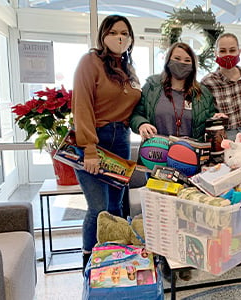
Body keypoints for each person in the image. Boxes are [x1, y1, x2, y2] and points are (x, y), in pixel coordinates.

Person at [130, 42, 224, 281]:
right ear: (168, 60)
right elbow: (136, 113)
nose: (181, 63)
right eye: (177, 58)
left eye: (186, 60)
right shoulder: (152, 86)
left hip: (189, 162)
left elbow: (206, 124)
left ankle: (183, 257)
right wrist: (141, 123)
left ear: (193, 64)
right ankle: (162, 260)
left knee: (184, 212)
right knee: (161, 212)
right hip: (158, 161)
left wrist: (215, 120)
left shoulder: (202, 93)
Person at [71, 15, 141, 273]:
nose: (119, 37)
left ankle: (114, 259)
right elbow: (82, 105)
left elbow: (133, 107)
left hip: (121, 140)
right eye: (113, 32)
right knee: (98, 208)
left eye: (124, 32)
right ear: (103, 36)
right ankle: (89, 264)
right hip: (94, 140)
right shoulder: (90, 62)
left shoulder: (128, 70)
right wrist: (89, 148)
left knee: (115, 207)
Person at [201, 32, 241, 141]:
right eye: (222, 51)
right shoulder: (208, 82)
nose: (228, 55)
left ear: (239, 51)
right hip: (222, 136)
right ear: (216, 53)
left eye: (232, 50)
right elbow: (203, 114)